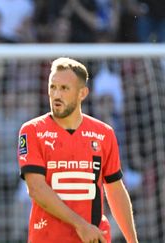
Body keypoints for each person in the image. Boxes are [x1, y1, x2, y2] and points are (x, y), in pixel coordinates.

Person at [17, 57, 138, 243]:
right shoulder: (32, 131)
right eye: (52, 87)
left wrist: (132, 241)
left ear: (83, 93)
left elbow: (115, 190)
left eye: (64, 88)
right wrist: (80, 225)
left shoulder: (104, 133)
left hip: (94, 238)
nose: (56, 94)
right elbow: (36, 189)